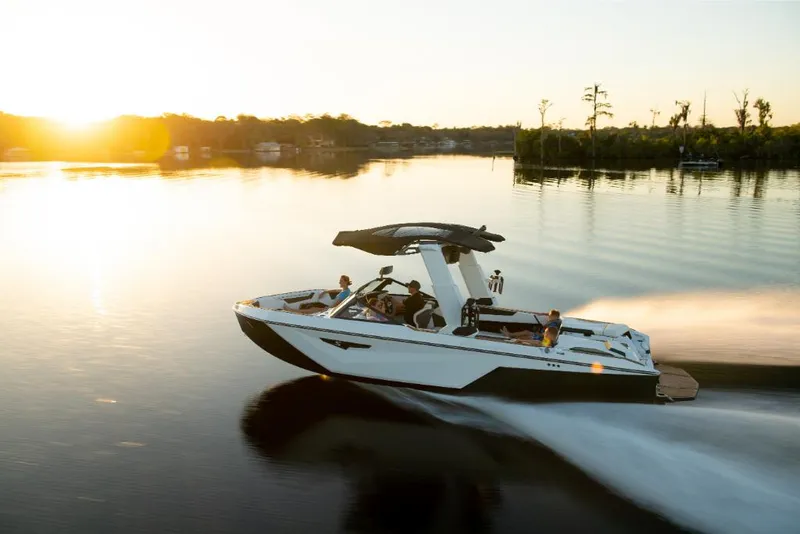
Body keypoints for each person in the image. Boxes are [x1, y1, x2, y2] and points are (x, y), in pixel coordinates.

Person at [285, 274, 352, 314]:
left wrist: (327, 308)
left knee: (313, 308)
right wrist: (324, 292)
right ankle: (297, 311)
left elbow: (337, 305)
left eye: (341, 281)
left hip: (330, 308)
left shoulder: (345, 293)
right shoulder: (345, 290)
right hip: (330, 306)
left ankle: (292, 311)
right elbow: (336, 290)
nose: (339, 282)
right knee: (311, 306)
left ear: (345, 282)